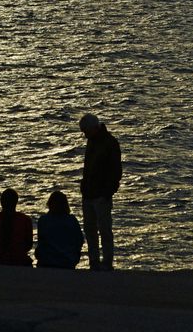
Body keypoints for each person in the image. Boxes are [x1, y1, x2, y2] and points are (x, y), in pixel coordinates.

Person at [78, 113, 122, 270]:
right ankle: (94, 261)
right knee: (90, 231)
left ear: (95, 128)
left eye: (86, 131)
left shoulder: (110, 143)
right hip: (89, 193)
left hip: (101, 195)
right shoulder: (92, 141)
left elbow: (116, 172)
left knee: (104, 231)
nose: (85, 135)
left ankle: (107, 262)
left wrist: (107, 192)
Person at [35, 190, 84, 269]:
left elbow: (41, 241)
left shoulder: (43, 220)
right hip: (68, 261)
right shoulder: (72, 220)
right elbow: (79, 241)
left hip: (47, 261)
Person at [0, 187, 33, 265]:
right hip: (20, 261)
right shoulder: (25, 220)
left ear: (1, 202)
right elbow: (28, 245)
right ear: (16, 202)